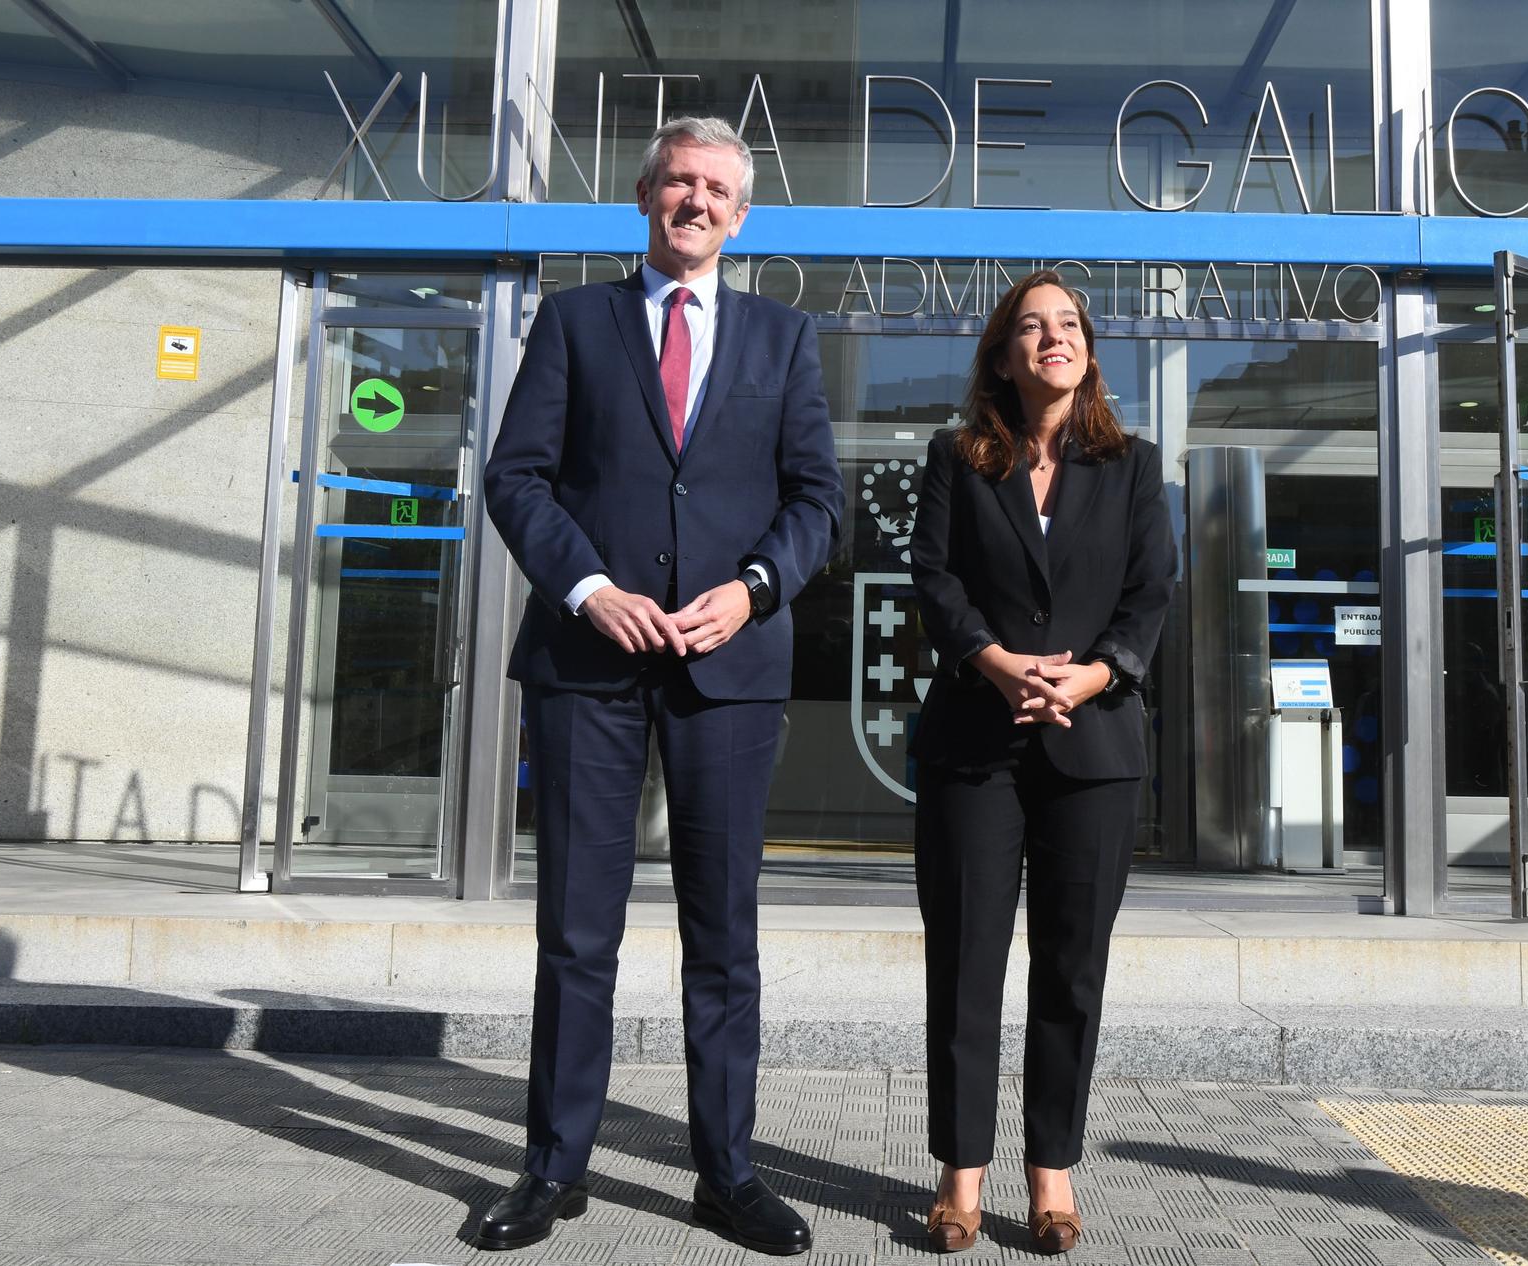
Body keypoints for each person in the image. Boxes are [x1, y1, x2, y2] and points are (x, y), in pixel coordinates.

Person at [477, 116, 841, 1256]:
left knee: (721, 937)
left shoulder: (782, 339)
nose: (695, 200)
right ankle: (552, 1170)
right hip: (588, 664)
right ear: (643, 197)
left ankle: (725, 1173)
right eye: (677, 181)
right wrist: (587, 587)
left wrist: (751, 589)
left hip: (727, 672)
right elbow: (516, 477)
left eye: (716, 188)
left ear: (741, 216)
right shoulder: (575, 322)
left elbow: (817, 502)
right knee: (576, 933)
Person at [908, 271, 1176, 1254]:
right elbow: (930, 575)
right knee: (966, 965)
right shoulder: (956, 457)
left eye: (1066, 324)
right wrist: (991, 659)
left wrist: (1097, 674)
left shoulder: (1133, 466)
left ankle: (1050, 1172)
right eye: (1030, 325)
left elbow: (1152, 591)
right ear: (1002, 355)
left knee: (1071, 971)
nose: (1050, 337)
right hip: (974, 743)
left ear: (1088, 352)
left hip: (1092, 746)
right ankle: (959, 1173)